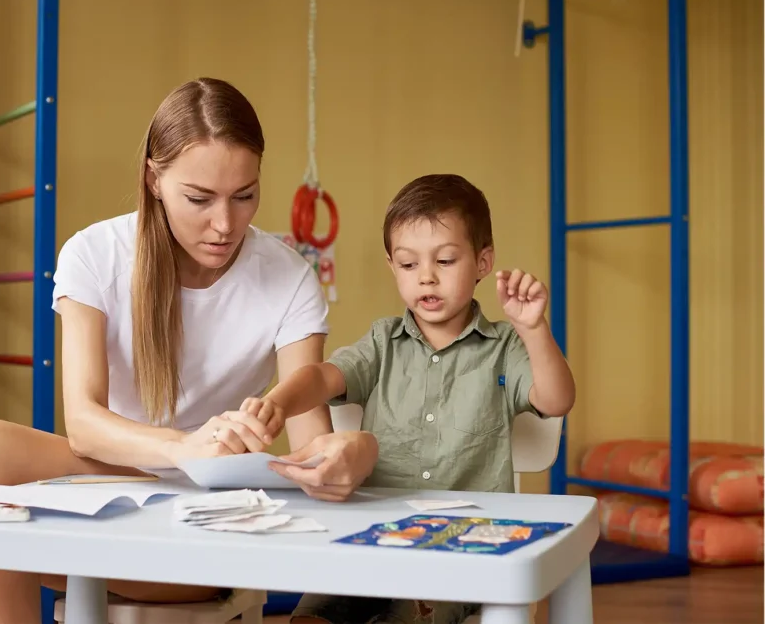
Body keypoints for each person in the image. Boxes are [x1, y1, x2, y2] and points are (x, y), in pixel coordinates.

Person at [0, 77, 380, 624]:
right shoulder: (95, 253)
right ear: (155, 180)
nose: (225, 224)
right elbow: (84, 425)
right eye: (199, 199)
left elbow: (308, 445)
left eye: (244, 195)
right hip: (106, 490)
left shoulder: (288, 277)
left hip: (207, 518)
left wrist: (349, 454)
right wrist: (184, 446)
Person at [241, 173, 577, 624]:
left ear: (483, 261)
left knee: (409, 613)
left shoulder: (505, 347)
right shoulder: (382, 342)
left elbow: (556, 401)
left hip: (465, 549)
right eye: (408, 264)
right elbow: (322, 376)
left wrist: (533, 329)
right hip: (372, 540)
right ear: (392, 266)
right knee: (311, 617)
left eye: (445, 260)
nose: (427, 276)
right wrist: (279, 402)